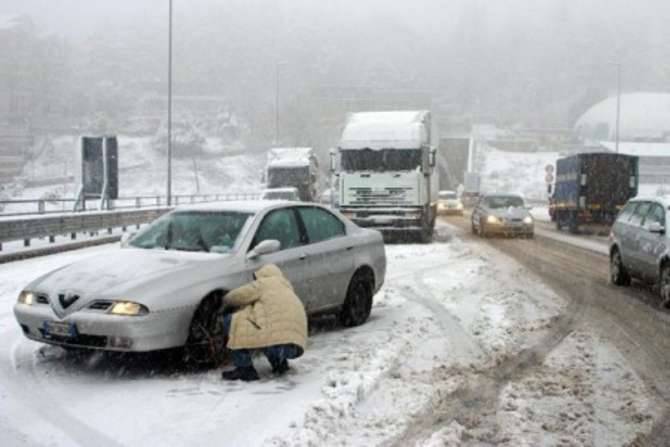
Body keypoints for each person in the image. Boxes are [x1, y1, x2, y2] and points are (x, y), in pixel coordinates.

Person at [221, 264, 308, 381]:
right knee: (271, 330)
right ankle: (280, 364)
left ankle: (245, 369)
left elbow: (235, 297)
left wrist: (222, 299)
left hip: (279, 345)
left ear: (263, 275)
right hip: (295, 347)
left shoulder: (264, 283)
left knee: (233, 322)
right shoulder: (286, 287)